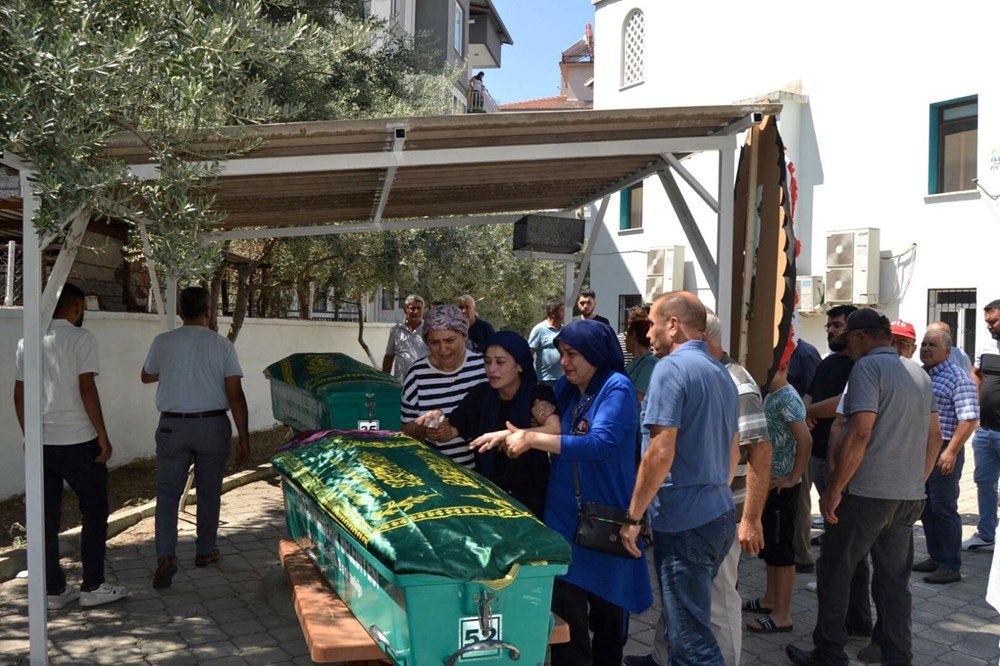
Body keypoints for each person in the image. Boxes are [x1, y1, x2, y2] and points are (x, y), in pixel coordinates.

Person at [785, 309, 941, 666]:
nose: (847, 348)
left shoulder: (867, 369)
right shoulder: (917, 373)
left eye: (848, 340)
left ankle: (829, 653)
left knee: (835, 571)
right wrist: (918, 479)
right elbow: (935, 436)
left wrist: (835, 488)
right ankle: (897, 655)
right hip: (908, 495)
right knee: (894, 582)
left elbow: (859, 431)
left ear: (859, 337)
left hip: (868, 494)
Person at [501, 319, 652, 666]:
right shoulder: (570, 390)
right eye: (561, 353)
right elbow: (532, 399)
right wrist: (516, 429)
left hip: (605, 522)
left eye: (572, 354)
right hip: (563, 522)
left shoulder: (617, 387)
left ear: (596, 353)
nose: (564, 362)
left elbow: (598, 444)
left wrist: (532, 438)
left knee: (609, 622)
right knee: (568, 626)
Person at [625, 310, 771, 666]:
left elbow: (660, 452)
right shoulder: (717, 373)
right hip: (714, 510)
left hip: (697, 517)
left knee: (702, 627)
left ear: (675, 325)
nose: (649, 334)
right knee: (687, 615)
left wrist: (633, 516)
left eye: (654, 324)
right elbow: (730, 450)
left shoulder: (684, 371)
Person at [13, 284, 127, 609]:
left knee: (45, 517)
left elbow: (18, 395)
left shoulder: (28, 341)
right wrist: (102, 434)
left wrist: (28, 433)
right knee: (94, 510)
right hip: (79, 441)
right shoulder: (81, 338)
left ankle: (54, 590)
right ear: (77, 306)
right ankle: (93, 586)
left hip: (43, 444)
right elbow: (87, 388)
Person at [141, 286, 250, 590]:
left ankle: (165, 556)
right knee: (209, 491)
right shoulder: (222, 346)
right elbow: (235, 394)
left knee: (166, 494)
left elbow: (146, 375)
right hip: (211, 427)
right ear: (208, 312)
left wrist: (174, 370)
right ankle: (204, 551)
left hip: (172, 428)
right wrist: (244, 436)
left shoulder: (163, 342)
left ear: (179, 313)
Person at [426, 332, 558, 518]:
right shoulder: (480, 396)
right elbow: (450, 432)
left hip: (531, 502)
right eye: (487, 362)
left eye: (500, 362)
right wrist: (436, 420)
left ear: (520, 365)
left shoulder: (538, 394)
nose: (492, 369)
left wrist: (509, 435)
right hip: (488, 500)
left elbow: (555, 430)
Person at [802, 304, 873, 638]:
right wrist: (805, 410)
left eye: (836, 325)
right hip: (815, 455)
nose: (830, 330)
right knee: (834, 537)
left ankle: (854, 618)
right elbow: (812, 393)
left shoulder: (860, 368)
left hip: (840, 461)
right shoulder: (828, 362)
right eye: (829, 325)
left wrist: (810, 411)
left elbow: (840, 404)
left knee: (848, 546)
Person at [745, 358, 812, 634]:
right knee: (771, 547)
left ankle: (782, 613)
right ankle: (770, 599)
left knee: (782, 550)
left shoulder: (786, 397)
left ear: (783, 369)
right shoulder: (773, 394)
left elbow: (805, 439)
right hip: (770, 485)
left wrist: (793, 477)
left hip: (783, 487)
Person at [911, 328, 979, 585]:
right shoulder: (920, 374)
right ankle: (936, 556)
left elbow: (970, 418)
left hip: (945, 449)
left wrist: (950, 452)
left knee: (943, 506)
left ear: (947, 351)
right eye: (924, 344)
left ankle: (950, 564)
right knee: (926, 506)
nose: (926, 349)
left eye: (932, 345)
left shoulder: (957, 378)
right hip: (922, 449)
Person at [404, 304, 487, 468]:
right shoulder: (417, 373)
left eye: (450, 340)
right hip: (434, 474)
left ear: (464, 336)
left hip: (481, 475)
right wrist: (425, 429)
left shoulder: (484, 367)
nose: (443, 349)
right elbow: (405, 428)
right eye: (434, 342)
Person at [965, 299, 1000, 552]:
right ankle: (987, 533)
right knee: (984, 483)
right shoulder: (986, 345)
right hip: (985, 430)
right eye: (987, 322)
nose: (989, 326)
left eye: (994, 321)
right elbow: (976, 374)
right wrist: (975, 409)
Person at [787, 336, 821, 574]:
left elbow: (814, 392)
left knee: (800, 497)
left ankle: (802, 555)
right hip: (790, 436)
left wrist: (803, 415)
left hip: (805, 438)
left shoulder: (805, 354)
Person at [382, 294, 428, 381]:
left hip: (424, 383)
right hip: (401, 383)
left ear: (423, 310)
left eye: (419, 308)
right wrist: (385, 379)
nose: (416, 312)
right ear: (405, 310)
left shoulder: (429, 330)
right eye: (412, 308)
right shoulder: (396, 331)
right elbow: (389, 356)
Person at [528, 297, 565, 385]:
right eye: (561, 311)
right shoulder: (539, 329)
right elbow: (529, 354)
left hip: (563, 379)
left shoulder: (564, 330)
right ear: (552, 313)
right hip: (545, 380)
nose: (564, 314)